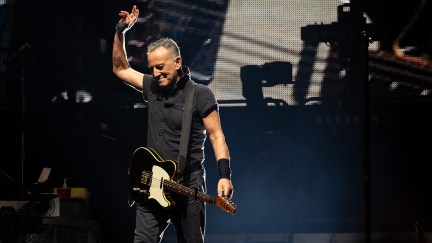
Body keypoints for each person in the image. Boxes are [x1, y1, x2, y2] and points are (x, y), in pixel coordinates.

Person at [112, 5, 234, 243]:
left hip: (187, 185)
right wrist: (120, 31)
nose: (156, 74)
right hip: (153, 182)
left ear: (177, 62)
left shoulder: (200, 95)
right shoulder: (152, 87)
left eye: (161, 67)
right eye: (152, 69)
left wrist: (224, 175)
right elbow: (120, 68)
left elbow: (216, 135)